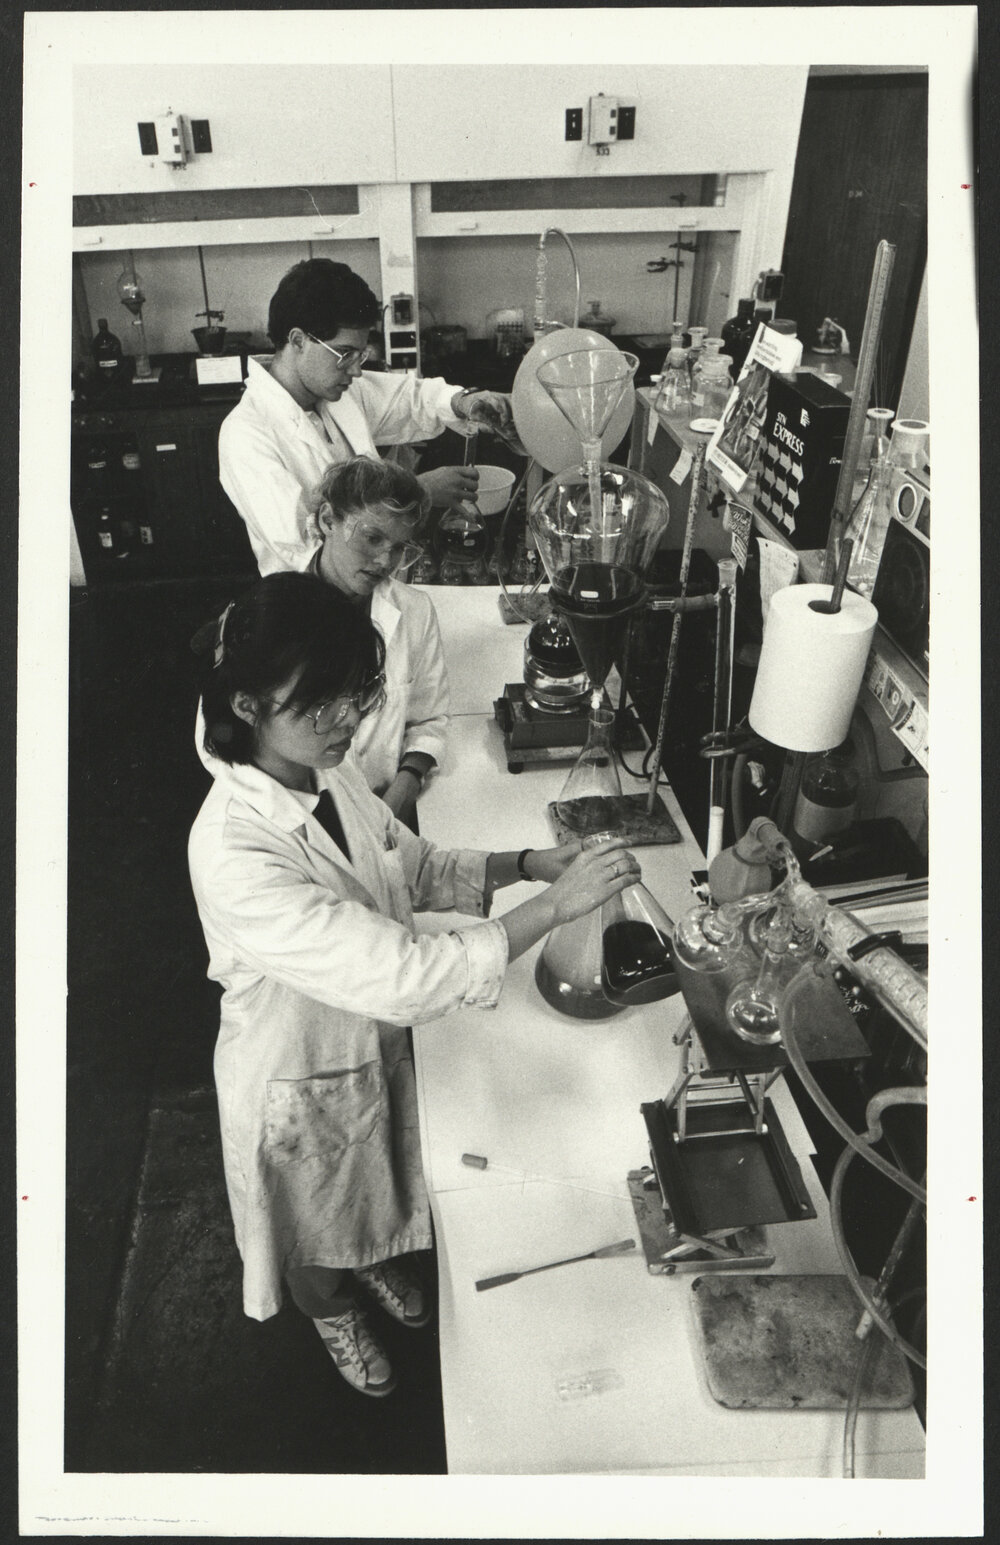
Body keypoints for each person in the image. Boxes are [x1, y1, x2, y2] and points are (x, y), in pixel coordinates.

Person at [188, 573, 640, 1399]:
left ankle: (367, 1265)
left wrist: (528, 864)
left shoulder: (323, 769)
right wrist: (550, 909)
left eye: (353, 696)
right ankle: (332, 1309)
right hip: (296, 1069)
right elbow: (401, 973)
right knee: (314, 1220)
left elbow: (410, 859)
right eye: (316, 702)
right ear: (248, 704)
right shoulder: (233, 852)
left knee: (372, 1190)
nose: (344, 722)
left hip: (364, 1042)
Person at [218, 257, 521, 575]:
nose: (357, 369)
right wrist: (417, 495)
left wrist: (464, 402)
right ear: (298, 340)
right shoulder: (246, 434)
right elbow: (309, 542)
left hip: (376, 586)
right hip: (312, 603)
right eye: (344, 354)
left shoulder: (338, 392)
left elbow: (410, 398)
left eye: (360, 354)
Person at [303, 455, 446, 831]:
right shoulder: (268, 613)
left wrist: (404, 789)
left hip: (391, 809)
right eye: (372, 537)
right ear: (328, 520)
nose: (385, 560)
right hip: (307, 823)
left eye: (400, 548)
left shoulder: (415, 611)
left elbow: (429, 719)